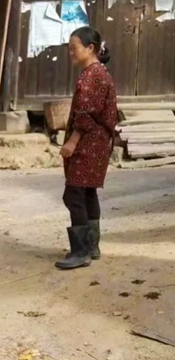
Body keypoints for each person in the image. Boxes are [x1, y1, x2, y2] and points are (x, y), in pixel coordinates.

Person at [56, 26, 118, 270]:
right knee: (87, 191)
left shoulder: (93, 75)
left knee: (74, 194)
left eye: (74, 48)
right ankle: (92, 246)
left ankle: (80, 251)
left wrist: (72, 141)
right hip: (98, 142)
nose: (71, 52)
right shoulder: (99, 73)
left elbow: (86, 113)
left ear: (90, 48)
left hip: (89, 142)